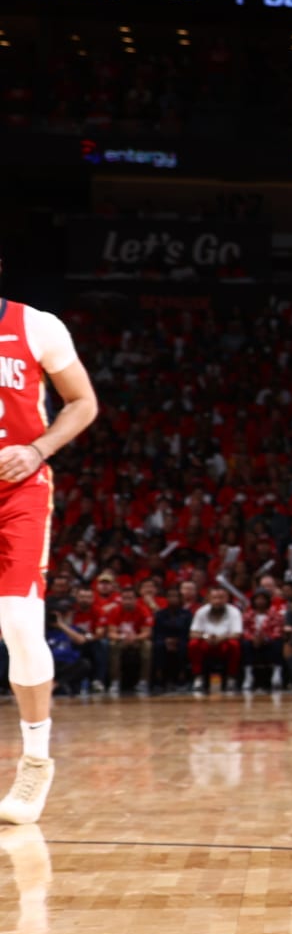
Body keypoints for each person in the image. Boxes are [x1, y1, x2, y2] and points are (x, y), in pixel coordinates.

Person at [0, 285, 97, 825]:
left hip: (18, 491)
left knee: (18, 621)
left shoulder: (36, 325)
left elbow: (83, 402)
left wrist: (37, 449)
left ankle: (35, 761)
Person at [188, 586, 245, 692]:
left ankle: (231, 678)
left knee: (234, 644)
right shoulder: (201, 611)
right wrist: (205, 637)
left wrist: (222, 638)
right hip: (207, 642)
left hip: (224, 643)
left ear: (227, 599)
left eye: (221, 598)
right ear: (208, 598)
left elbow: (238, 634)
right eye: (214, 598)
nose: (218, 601)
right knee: (193, 644)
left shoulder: (234, 611)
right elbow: (193, 633)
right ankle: (198, 677)